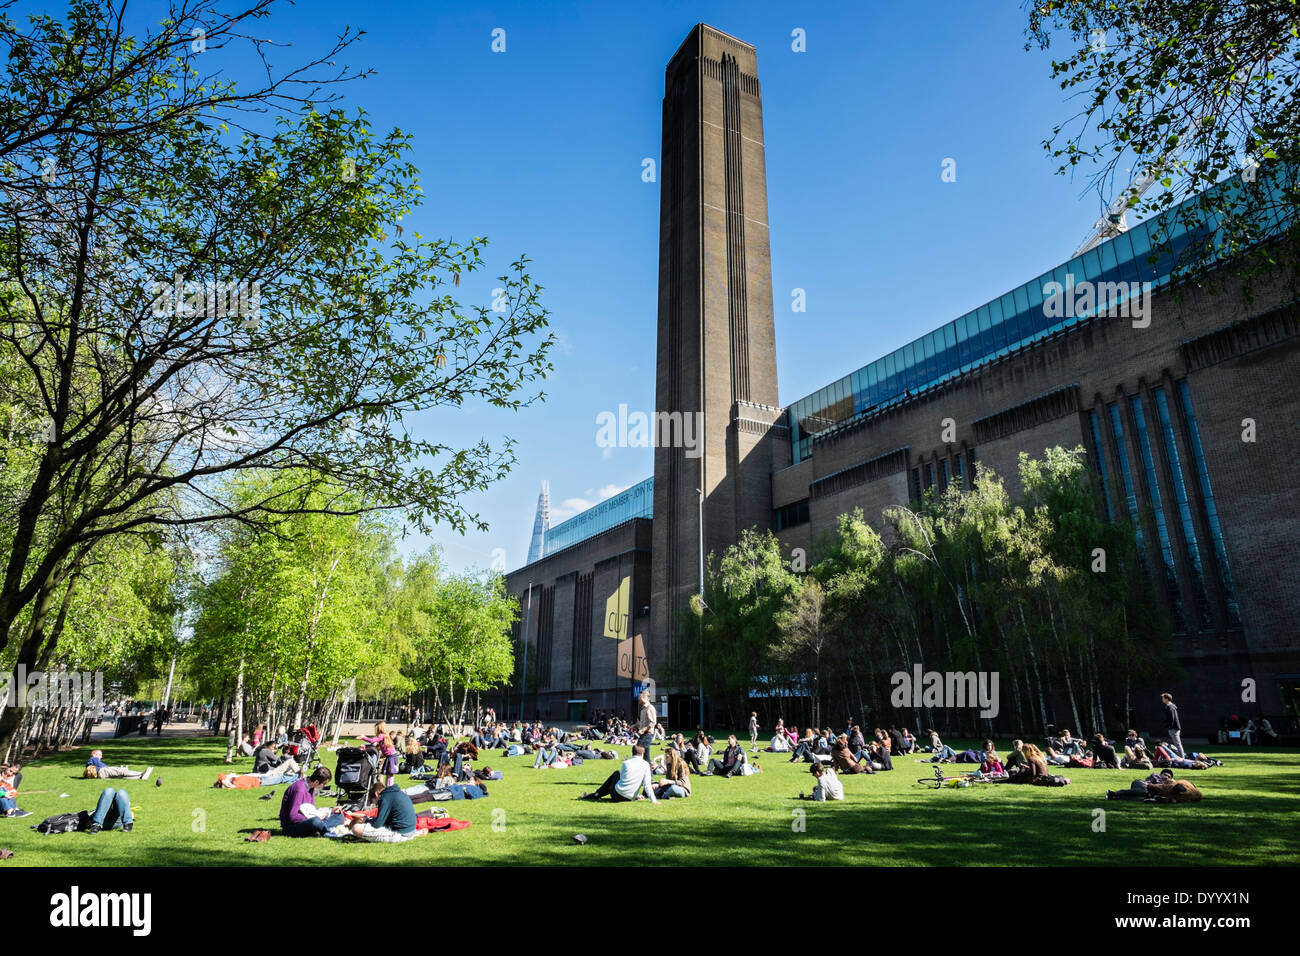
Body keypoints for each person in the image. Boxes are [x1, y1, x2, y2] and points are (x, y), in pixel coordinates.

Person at [350, 778, 424, 842]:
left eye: (375, 803)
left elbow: (377, 824)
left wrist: (365, 821)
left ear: (376, 794)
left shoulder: (384, 798)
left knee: (356, 828)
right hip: (410, 830)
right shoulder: (396, 793)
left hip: (401, 834)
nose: (377, 805)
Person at [280, 767, 346, 837]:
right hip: (291, 827)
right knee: (315, 821)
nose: (324, 786)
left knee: (339, 816)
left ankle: (319, 829)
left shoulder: (311, 788)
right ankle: (326, 831)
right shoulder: (299, 790)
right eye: (324, 784)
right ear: (317, 782)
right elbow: (293, 817)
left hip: (309, 820)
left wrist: (330, 811)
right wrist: (315, 818)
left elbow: (311, 810)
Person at [581, 745, 659, 803]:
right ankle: (597, 794)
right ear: (642, 754)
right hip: (630, 797)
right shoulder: (646, 765)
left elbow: (622, 780)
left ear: (632, 753)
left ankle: (597, 794)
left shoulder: (626, 763)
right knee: (616, 777)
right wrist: (654, 800)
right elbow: (647, 785)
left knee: (616, 773)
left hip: (618, 794)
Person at [84, 750, 152, 780]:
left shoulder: (89, 763)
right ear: (94, 754)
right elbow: (102, 766)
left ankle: (140, 777)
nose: (101, 756)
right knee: (122, 771)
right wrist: (109, 767)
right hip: (102, 771)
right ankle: (142, 773)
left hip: (100, 775)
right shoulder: (93, 759)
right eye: (99, 755)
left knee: (121, 777)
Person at [634, 690, 656, 760]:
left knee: (637, 751)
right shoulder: (643, 709)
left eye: (639, 697)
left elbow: (653, 722)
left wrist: (643, 730)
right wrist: (635, 725)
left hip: (647, 734)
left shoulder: (650, 708)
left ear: (645, 697)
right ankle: (648, 770)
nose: (638, 699)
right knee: (646, 757)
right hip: (643, 734)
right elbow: (643, 723)